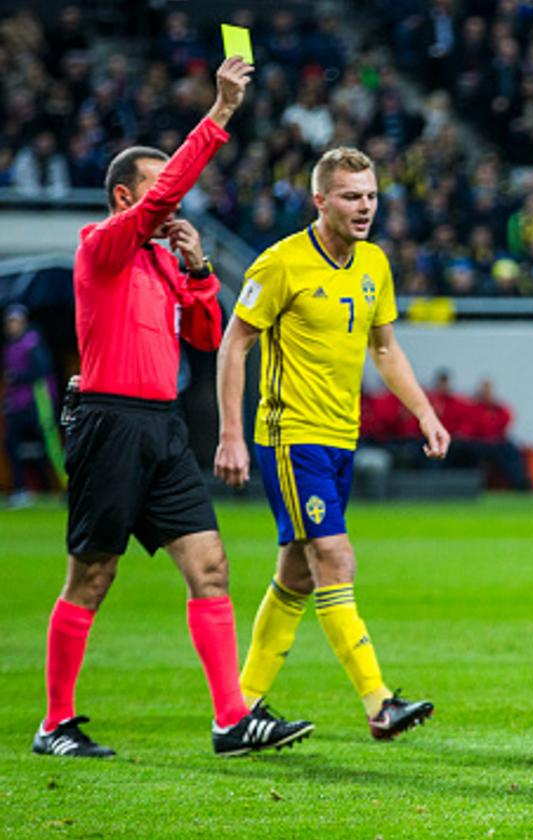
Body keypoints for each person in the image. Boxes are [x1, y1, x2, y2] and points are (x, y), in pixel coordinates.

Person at [34, 57, 314, 759]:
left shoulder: (159, 260)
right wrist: (218, 115)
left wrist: (196, 273)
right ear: (126, 195)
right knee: (93, 574)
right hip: (108, 422)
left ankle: (230, 719)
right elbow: (163, 203)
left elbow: (206, 336)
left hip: (160, 427)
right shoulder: (100, 247)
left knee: (210, 565)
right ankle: (55, 724)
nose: (173, 202)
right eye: (159, 189)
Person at [214, 146, 451, 740]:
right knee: (335, 558)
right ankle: (379, 703)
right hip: (290, 436)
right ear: (319, 200)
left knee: (296, 574)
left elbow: (385, 349)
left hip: (341, 436)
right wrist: (231, 435)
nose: (364, 206)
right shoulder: (279, 264)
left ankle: (238, 712)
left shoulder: (373, 263)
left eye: (370, 195)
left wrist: (424, 411)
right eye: (351, 195)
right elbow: (234, 344)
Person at [3, 305, 63, 506]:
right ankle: (20, 490)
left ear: (23, 322)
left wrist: (17, 377)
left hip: (38, 403)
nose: (12, 326)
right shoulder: (10, 346)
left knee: (49, 446)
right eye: (10, 322)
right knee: (12, 445)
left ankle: (65, 487)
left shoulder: (33, 343)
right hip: (16, 404)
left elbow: (41, 371)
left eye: (16, 321)